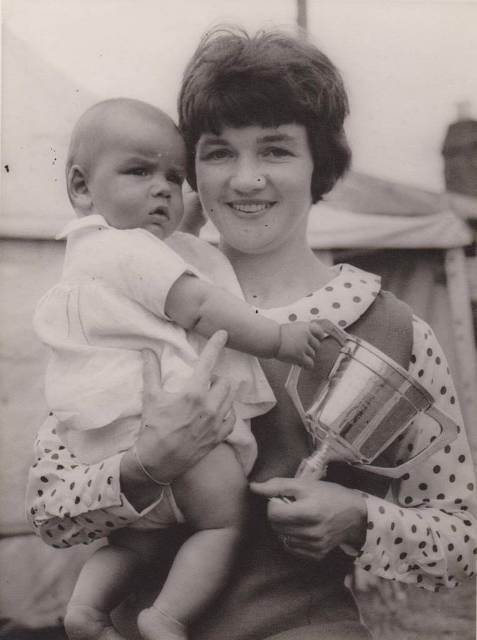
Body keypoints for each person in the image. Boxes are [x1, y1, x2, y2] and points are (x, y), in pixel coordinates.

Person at [27, 27, 476, 640]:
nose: (245, 179)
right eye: (217, 152)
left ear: (321, 164)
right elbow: (51, 513)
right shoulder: (127, 295)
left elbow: (462, 541)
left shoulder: (390, 327)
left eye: (275, 150)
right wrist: (142, 465)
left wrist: (359, 517)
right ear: (191, 172)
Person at [32, 97, 324, 640]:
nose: (164, 188)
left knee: (135, 543)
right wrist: (279, 338)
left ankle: (87, 608)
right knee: (222, 522)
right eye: (140, 171)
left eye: (174, 175)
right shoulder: (129, 248)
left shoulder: (86, 257)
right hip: (172, 430)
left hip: (110, 443)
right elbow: (201, 307)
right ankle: (166, 617)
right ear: (80, 187)